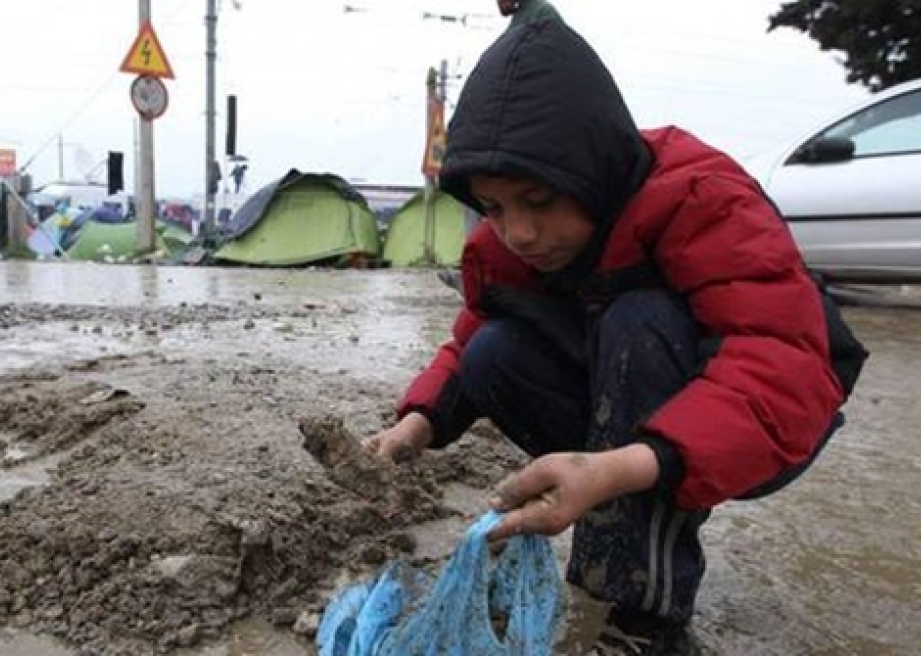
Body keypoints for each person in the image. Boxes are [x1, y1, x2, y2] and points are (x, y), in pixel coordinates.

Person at [362, 18, 867, 656]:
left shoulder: (700, 197)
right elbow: (468, 341)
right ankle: (614, 508)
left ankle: (643, 619)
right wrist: (417, 422)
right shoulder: (511, 245)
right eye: (494, 207)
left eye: (537, 200)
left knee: (638, 320)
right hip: (630, 396)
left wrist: (621, 467)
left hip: (771, 411)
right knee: (494, 351)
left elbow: (781, 366)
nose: (518, 232)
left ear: (592, 172)